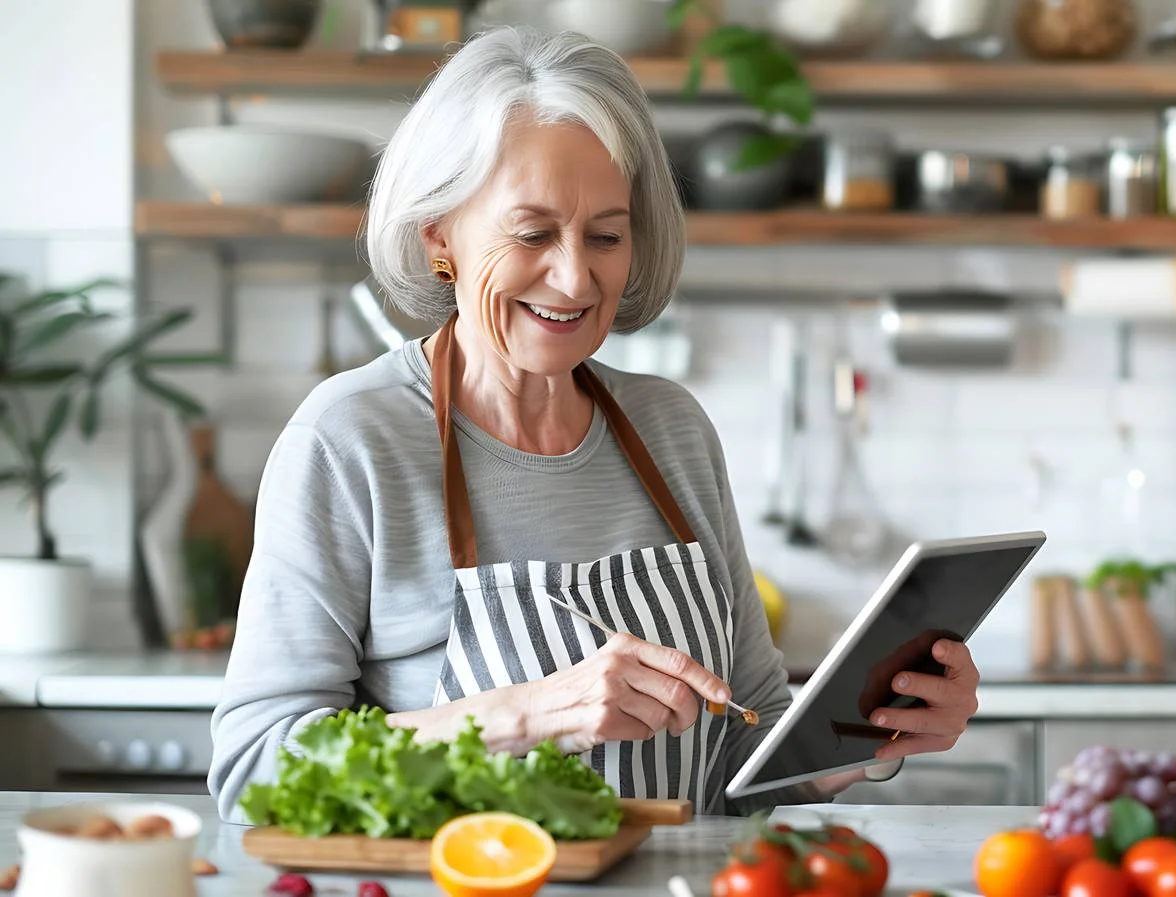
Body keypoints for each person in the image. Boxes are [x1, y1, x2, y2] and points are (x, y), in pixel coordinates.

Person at [207, 24, 981, 822]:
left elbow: (744, 750)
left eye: (606, 235)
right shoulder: (350, 439)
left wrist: (868, 732)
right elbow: (255, 773)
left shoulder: (669, 427)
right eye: (534, 232)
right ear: (440, 234)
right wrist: (522, 717)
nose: (576, 276)